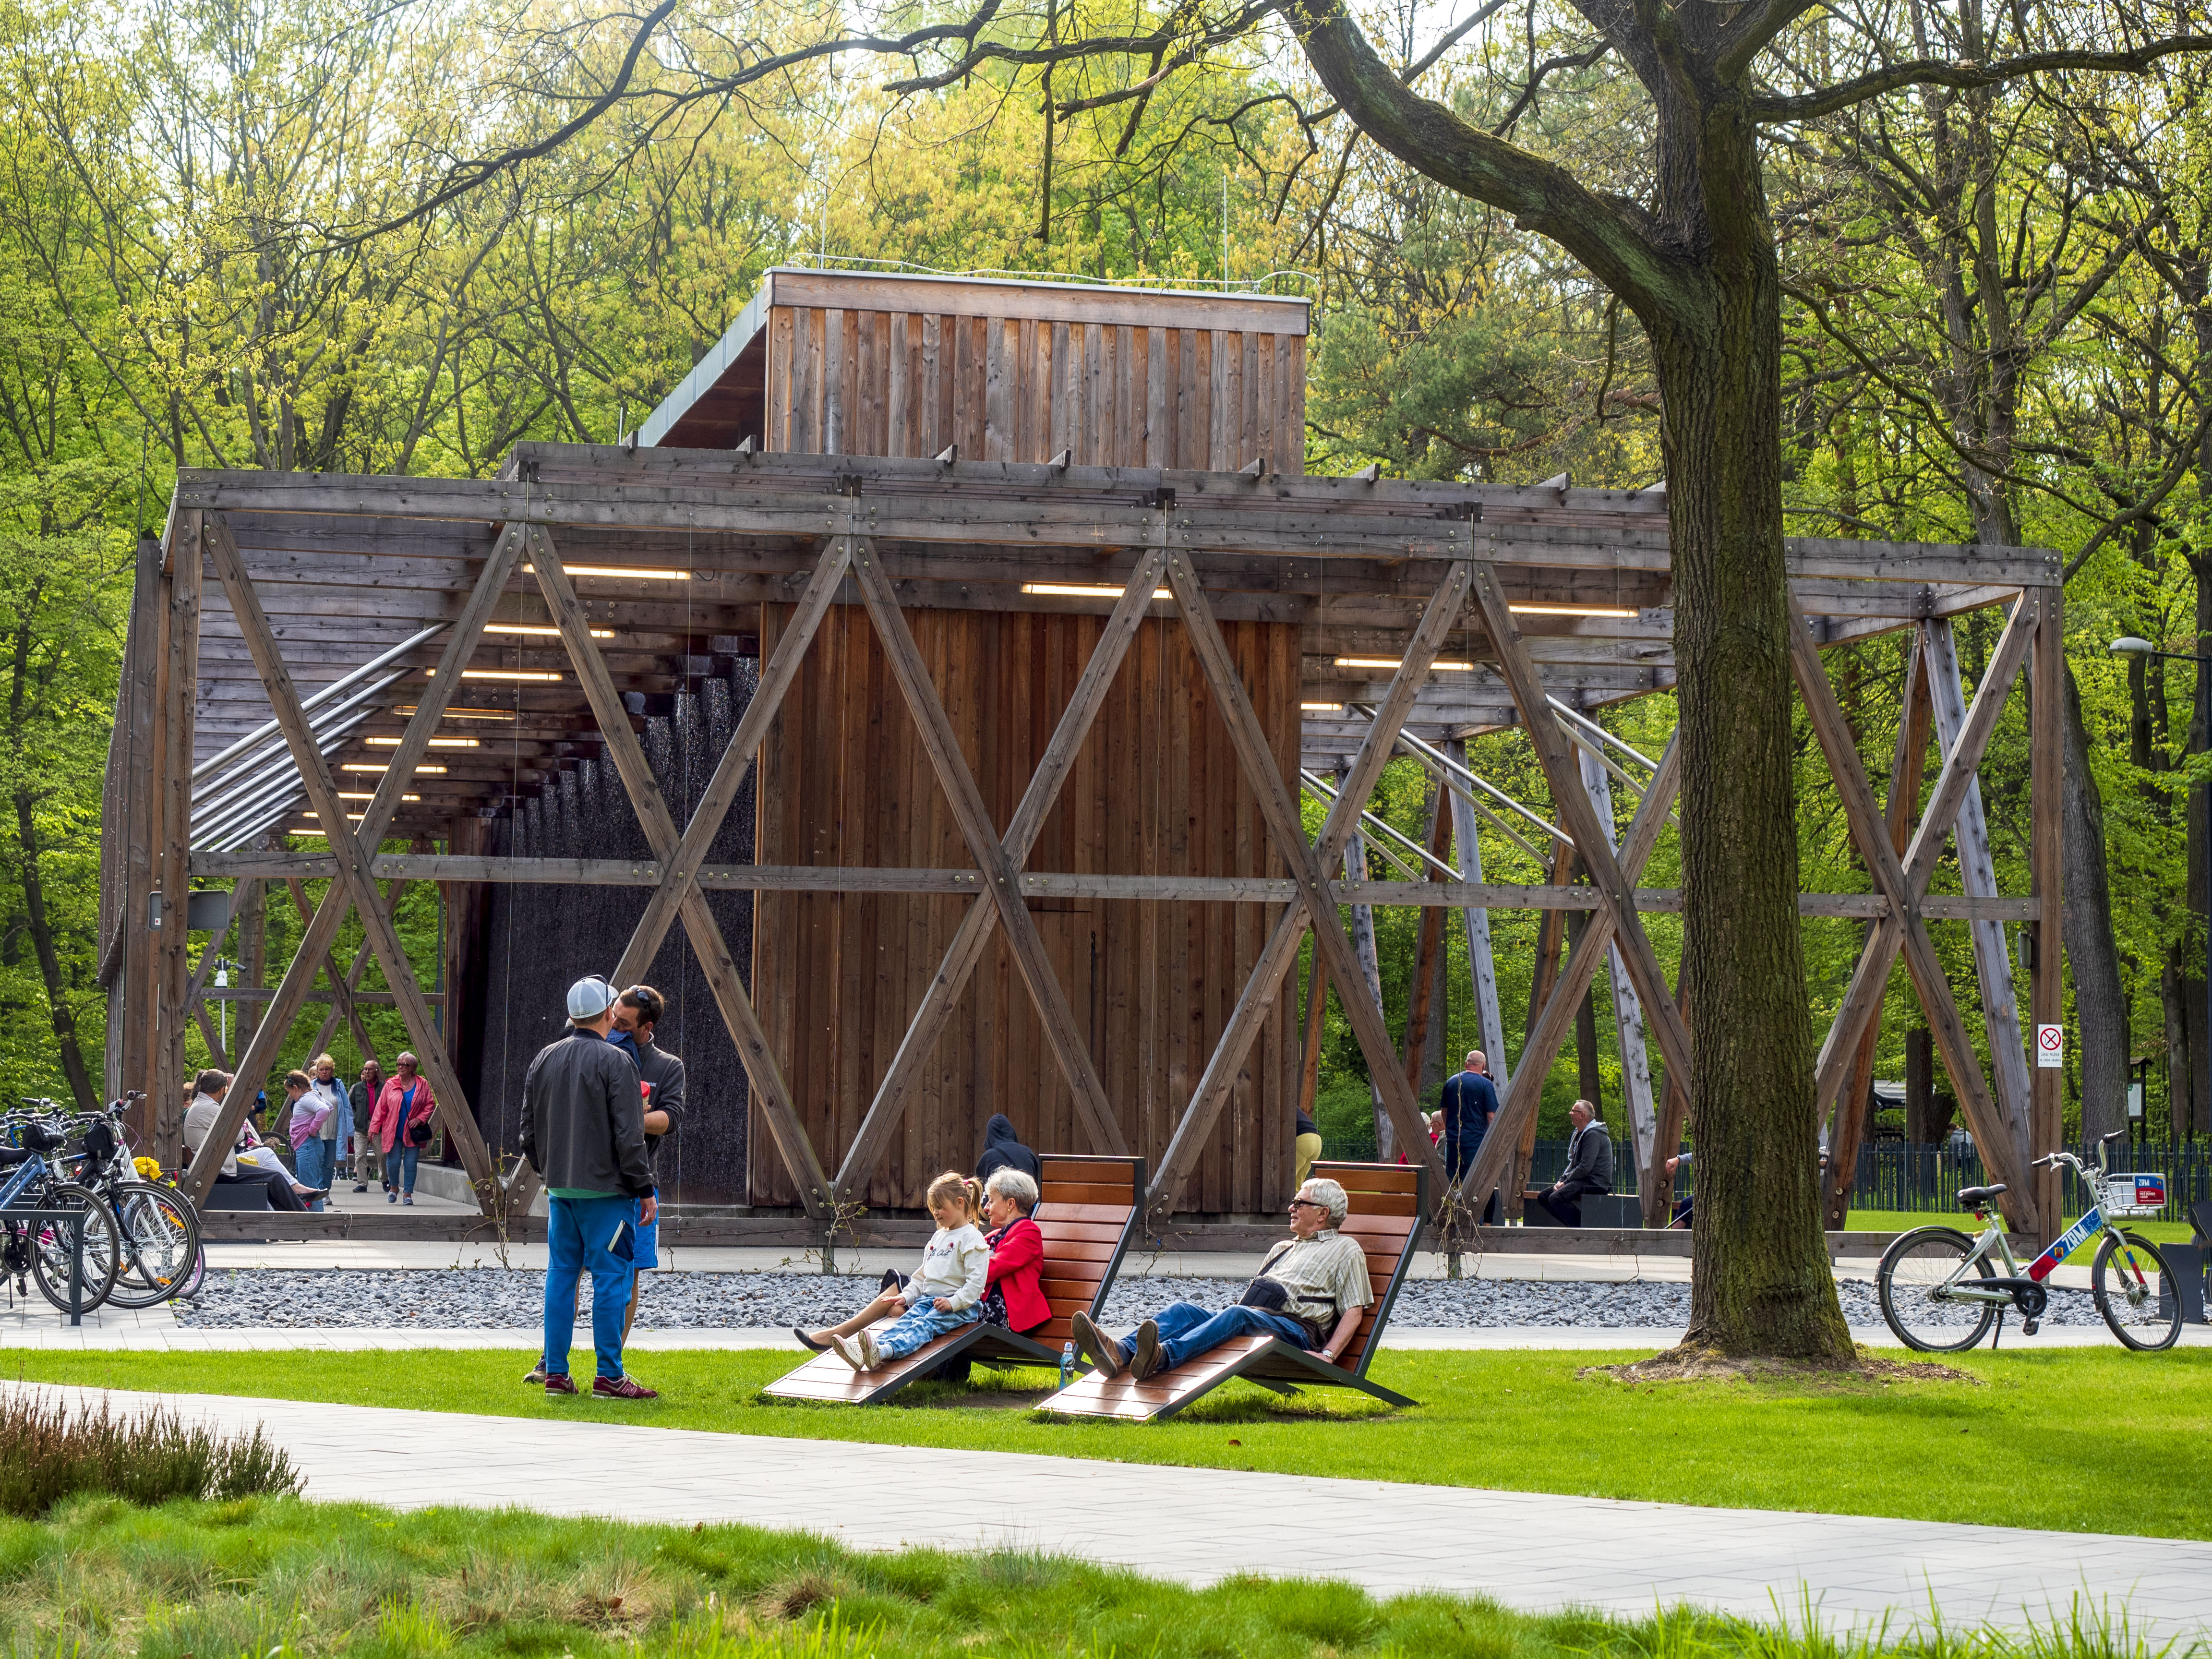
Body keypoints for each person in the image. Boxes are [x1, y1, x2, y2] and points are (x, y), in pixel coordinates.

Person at [1071, 1176, 1371, 1381]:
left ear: (1322, 1214)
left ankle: (1161, 1358)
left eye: (1299, 1203)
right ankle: (1121, 1352)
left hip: (1298, 1332)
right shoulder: (1282, 1248)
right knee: (1183, 1310)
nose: (1291, 1208)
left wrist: (1329, 1355)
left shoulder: (1345, 1249)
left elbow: (1354, 1311)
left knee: (1237, 1314)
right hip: (1259, 1318)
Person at [520, 974, 659, 1399]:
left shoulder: (544, 1058)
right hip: (608, 1193)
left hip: (562, 1191)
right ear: (606, 1014)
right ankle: (609, 1376)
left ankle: (557, 1375)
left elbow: (528, 1132)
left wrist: (551, 1172)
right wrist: (644, 1188)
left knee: (561, 1278)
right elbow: (629, 1136)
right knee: (611, 1280)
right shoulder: (618, 1062)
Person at [811, 1172, 989, 1372]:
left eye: (941, 1207)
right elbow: (922, 1278)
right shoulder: (938, 1238)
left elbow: (976, 1285)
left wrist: (953, 1302)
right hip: (929, 1301)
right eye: (934, 1209)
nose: (936, 1213)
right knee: (902, 1324)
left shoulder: (972, 1239)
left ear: (959, 1203)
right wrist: (906, 1296)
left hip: (960, 1309)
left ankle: (885, 1351)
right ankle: (865, 1353)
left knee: (923, 1327)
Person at [609, 984, 685, 1343]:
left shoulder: (668, 1066)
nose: (614, 1026)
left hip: (640, 1184)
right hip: (595, 1178)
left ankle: (613, 1364)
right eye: (613, 1017)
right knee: (572, 1270)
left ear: (647, 1028)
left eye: (624, 1024)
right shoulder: (600, 1051)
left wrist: (625, 1117)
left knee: (630, 1272)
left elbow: (670, 1120)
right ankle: (552, 1361)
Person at [928, 1167, 1052, 1385]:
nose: (986, 1208)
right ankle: (862, 1343)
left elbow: (989, 1269)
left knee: (933, 1305)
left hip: (1004, 1317)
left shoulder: (1028, 1233)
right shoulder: (994, 1235)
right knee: (902, 1292)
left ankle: (926, 1373)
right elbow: (971, 1269)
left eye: (992, 1201)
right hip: (981, 1306)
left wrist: (949, 1270)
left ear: (1010, 1204)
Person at [182, 1070, 312, 1211]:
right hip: (220, 1170)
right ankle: (304, 1217)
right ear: (221, 1091)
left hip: (215, 1165)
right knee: (275, 1178)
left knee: (267, 1162)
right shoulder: (210, 1108)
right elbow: (239, 1136)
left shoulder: (199, 1105)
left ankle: (291, 1211)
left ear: (201, 1087)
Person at [1441, 1049, 1502, 1224]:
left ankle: (1450, 1220)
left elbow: (1444, 1113)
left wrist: (1451, 1131)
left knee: (1452, 1182)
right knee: (1477, 1183)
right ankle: (1477, 1223)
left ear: (1467, 1064)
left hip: (1454, 1141)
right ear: (1483, 1066)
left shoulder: (1452, 1082)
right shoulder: (1485, 1085)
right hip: (1476, 1142)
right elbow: (1492, 1116)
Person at [1532, 1098, 1613, 1227]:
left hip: (1595, 1182)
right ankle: (1573, 1226)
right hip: (1581, 1180)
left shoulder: (1594, 1135)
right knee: (1543, 1197)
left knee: (1556, 1198)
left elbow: (1585, 1167)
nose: (1570, 1113)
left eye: (1573, 1111)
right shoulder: (1578, 1134)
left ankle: (1582, 1228)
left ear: (1582, 1115)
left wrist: (1566, 1183)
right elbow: (1573, 1163)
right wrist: (1561, 1180)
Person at [369, 1052, 435, 1205]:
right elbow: (381, 1108)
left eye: (404, 1064)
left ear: (412, 1067)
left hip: (413, 1132)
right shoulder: (391, 1084)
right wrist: (373, 1128)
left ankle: (408, 1195)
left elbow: (430, 1104)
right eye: (398, 1064)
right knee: (393, 1163)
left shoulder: (422, 1084)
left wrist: (420, 1119)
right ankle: (394, 1188)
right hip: (393, 1130)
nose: (400, 1067)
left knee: (411, 1164)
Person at [282, 1070, 333, 1209]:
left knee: (310, 1188)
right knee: (306, 1185)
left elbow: (324, 1110)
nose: (290, 1096)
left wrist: (313, 1129)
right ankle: (311, 1216)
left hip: (308, 1145)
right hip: (306, 1146)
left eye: (289, 1092)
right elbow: (329, 1106)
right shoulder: (311, 1096)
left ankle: (317, 1221)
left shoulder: (306, 1099)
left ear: (296, 1088)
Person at [306, 1053, 350, 1185]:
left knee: (329, 1165)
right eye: (321, 1070)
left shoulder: (338, 1085)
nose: (324, 1072)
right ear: (317, 1071)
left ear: (332, 1070)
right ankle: (318, 1191)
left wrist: (350, 1131)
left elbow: (347, 1108)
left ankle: (325, 1191)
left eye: (327, 1069)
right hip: (316, 1133)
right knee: (317, 1163)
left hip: (334, 1133)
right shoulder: (311, 1086)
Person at [974, 1113, 1040, 1186]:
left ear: (989, 1136)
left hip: (1000, 1197)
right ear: (1012, 1132)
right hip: (1027, 1197)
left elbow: (980, 1189)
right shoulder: (1028, 1153)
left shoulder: (987, 1157)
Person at [349, 1059, 385, 1193]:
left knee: (382, 1154)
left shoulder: (384, 1087)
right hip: (361, 1125)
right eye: (365, 1069)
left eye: (370, 1069)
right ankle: (362, 1183)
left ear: (376, 1071)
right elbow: (350, 1105)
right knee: (359, 1156)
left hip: (378, 1126)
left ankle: (384, 1179)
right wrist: (356, 1116)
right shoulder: (357, 1087)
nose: (367, 1072)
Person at [1293, 1104, 1322, 1189]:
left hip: (1302, 1140)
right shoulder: (1291, 1104)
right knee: (1297, 1186)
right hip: (1317, 1140)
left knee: (1285, 1183)